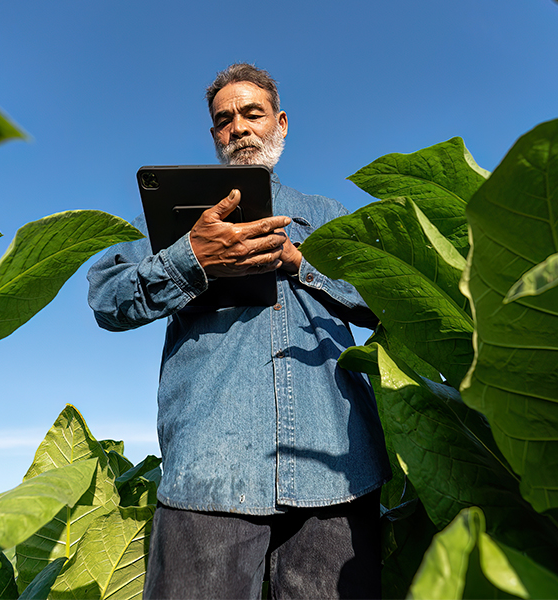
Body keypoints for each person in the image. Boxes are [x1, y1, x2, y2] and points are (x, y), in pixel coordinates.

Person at [86, 63, 389, 599]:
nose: (240, 128)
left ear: (282, 122)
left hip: (339, 471)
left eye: (253, 112)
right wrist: (190, 256)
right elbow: (107, 300)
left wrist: (303, 265)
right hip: (211, 473)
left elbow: (388, 302)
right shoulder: (176, 220)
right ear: (213, 136)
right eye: (224, 119)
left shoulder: (328, 215)